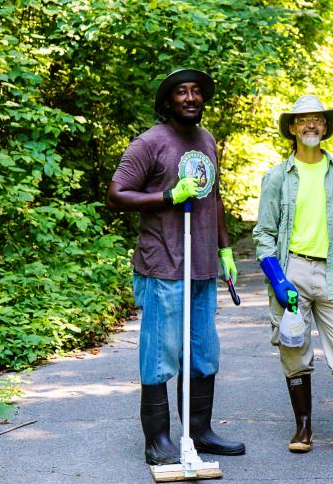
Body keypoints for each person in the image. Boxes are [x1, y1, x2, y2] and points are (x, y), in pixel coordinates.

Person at [107, 69, 246, 465]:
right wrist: (168, 195)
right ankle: (158, 441)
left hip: (202, 265)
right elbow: (117, 194)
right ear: (167, 101)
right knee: (161, 354)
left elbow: (214, 197)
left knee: (204, 353)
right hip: (163, 265)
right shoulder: (149, 143)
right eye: (181, 92)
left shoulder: (206, 140)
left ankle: (199, 432)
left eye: (196, 92)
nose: (190, 98)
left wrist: (225, 250)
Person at [252, 94, 333, 461]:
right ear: (291, 128)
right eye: (303, 119)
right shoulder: (276, 178)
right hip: (292, 271)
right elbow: (263, 235)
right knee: (293, 350)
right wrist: (277, 278)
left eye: (317, 120)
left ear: (325, 127)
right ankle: (303, 426)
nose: (311, 125)